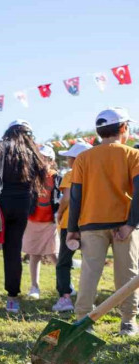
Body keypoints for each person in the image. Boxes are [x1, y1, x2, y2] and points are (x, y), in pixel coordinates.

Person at [68, 107, 139, 336]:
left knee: (89, 273)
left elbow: (75, 195)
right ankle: (128, 322)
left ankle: (82, 323)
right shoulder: (133, 155)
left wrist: (72, 230)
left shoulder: (83, 158)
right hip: (124, 224)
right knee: (127, 274)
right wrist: (132, 224)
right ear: (124, 128)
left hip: (90, 225)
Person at [0, 120, 47, 313]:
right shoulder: (32, 151)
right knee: (13, 252)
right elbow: (39, 180)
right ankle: (12, 300)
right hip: (22, 205)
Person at [52, 141, 91, 312]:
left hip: (70, 223)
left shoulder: (71, 174)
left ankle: (65, 298)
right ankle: (88, 298)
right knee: (90, 262)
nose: (67, 161)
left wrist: (59, 212)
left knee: (64, 262)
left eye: (69, 157)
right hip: (91, 222)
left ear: (76, 159)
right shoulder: (96, 174)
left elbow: (67, 197)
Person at [23, 145, 60, 299]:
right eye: (39, 158)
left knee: (54, 254)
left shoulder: (57, 177)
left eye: (45, 158)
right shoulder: (30, 177)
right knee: (34, 254)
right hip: (32, 221)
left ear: (51, 161)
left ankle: (64, 285)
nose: (42, 161)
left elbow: (61, 197)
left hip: (50, 222)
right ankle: (34, 287)